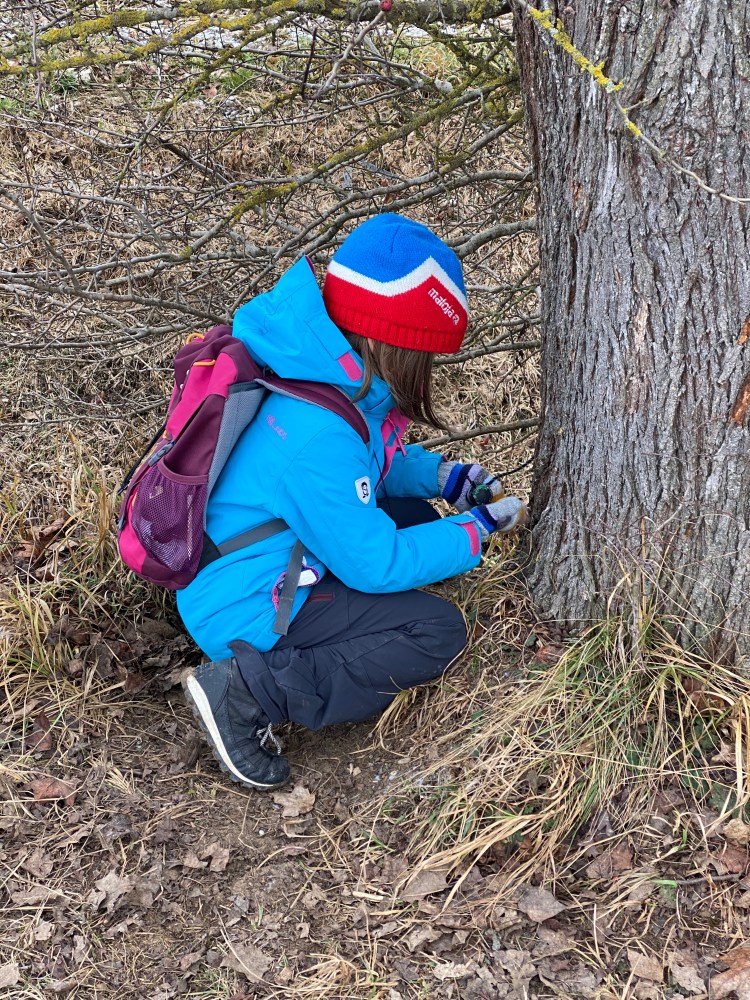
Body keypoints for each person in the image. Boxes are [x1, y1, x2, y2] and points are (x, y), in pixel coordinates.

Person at [179, 213, 527, 790]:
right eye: (426, 356)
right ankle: (247, 692)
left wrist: (442, 477)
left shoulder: (325, 373)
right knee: (435, 630)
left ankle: (275, 668)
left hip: (260, 558)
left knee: (416, 517)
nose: (429, 371)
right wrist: (476, 528)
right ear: (394, 342)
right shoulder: (316, 431)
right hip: (252, 601)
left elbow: (366, 466)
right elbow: (374, 560)